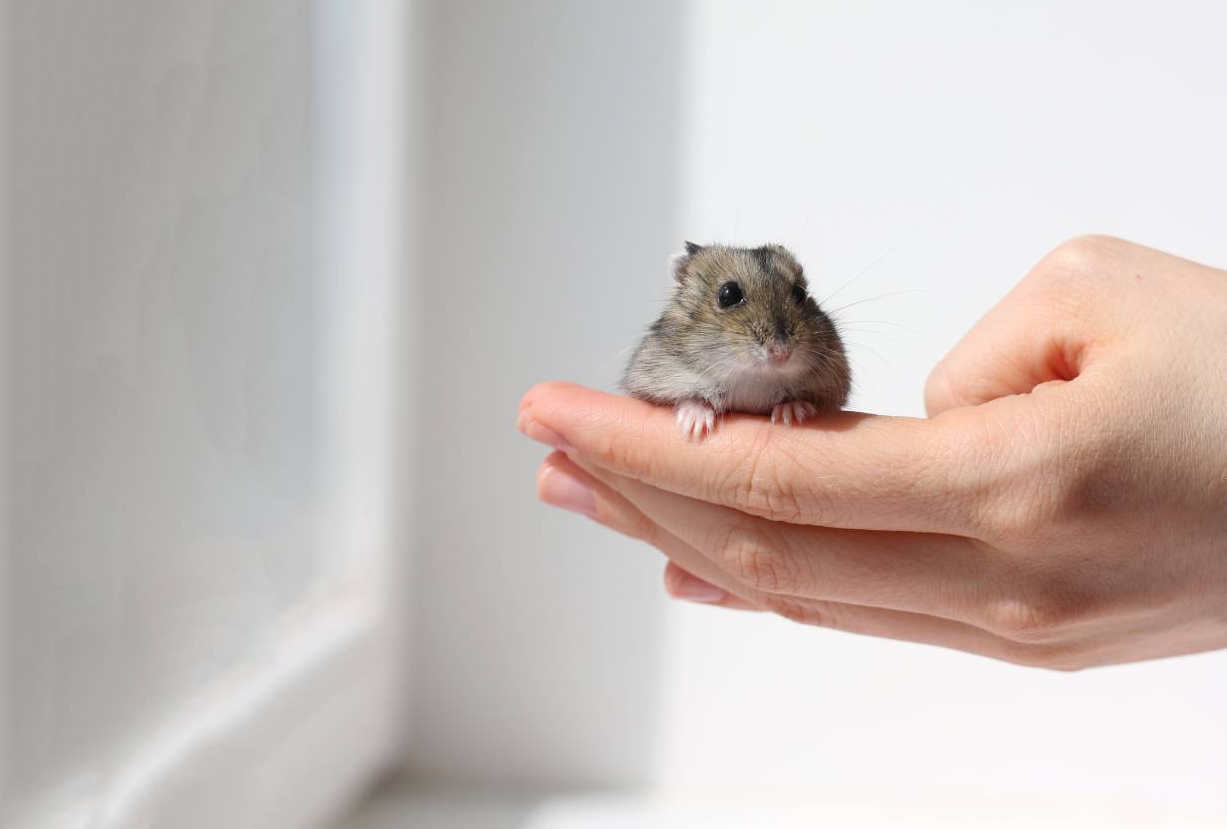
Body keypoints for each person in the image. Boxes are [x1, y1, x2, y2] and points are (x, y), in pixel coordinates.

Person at [517, 235, 1227, 670]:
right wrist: (692, 404)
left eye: (792, 296)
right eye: (735, 299)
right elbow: (643, 383)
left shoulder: (810, 347)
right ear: (690, 295)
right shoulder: (669, 354)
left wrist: (804, 403)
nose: (776, 331)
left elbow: (830, 384)